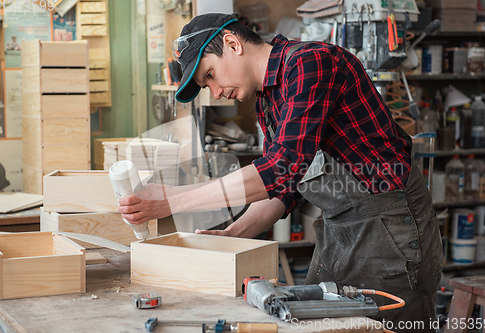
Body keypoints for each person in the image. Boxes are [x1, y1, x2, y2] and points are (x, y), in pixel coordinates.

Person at [118, 13, 442, 332]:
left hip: (391, 226)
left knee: (388, 327)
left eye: (211, 75)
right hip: (340, 228)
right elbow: (284, 188)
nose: (215, 92)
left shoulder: (313, 63)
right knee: (318, 326)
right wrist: (234, 234)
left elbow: (279, 169)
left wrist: (173, 200)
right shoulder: (267, 100)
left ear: (232, 44)